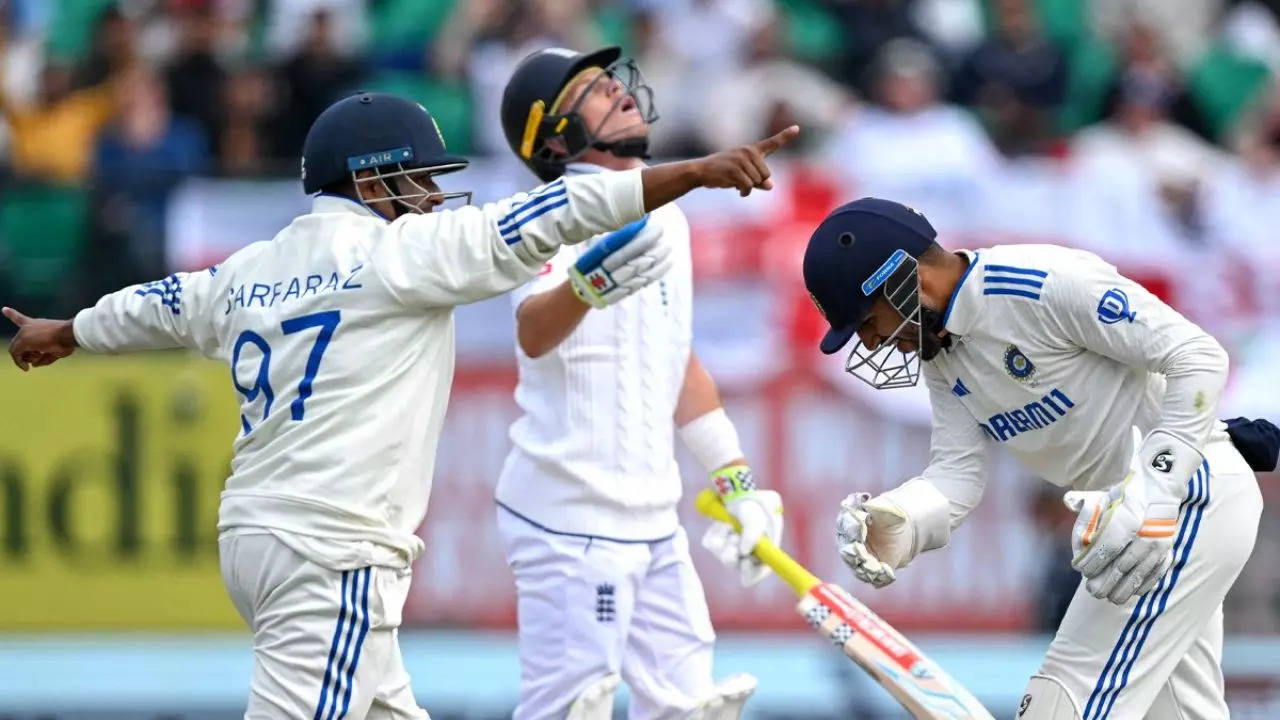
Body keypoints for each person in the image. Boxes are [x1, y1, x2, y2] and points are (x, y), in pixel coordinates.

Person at [3, 91, 797, 719]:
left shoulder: (249, 268)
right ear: (376, 179)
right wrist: (691, 174)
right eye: (420, 179)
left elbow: (156, 304)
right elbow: (555, 214)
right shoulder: (401, 255)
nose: (432, 198)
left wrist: (67, 329)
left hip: (253, 536)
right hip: (333, 550)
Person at [802, 198, 1264, 719]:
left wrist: (1151, 496)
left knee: (1061, 700)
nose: (869, 340)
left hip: (1184, 499)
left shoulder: (1041, 281)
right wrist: (898, 522)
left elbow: (1198, 357)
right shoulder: (943, 355)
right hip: (1130, 525)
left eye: (866, 321)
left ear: (903, 276)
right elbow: (957, 474)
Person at [493, 46, 785, 720]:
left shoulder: (671, 219)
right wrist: (586, 286)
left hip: (655, 523)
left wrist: (737, 483)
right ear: (555, 137)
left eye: (611, 81)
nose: (620, 92)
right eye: (593, 91)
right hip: (567, 521)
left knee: (692, 711)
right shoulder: (542, 215)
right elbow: (533, 332)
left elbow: (675, 361)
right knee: (570, 710)